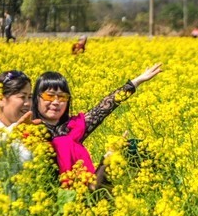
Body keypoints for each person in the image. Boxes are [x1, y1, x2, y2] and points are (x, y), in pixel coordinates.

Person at [32, 64, 163, 188]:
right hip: (53, 201)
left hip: (84, 196)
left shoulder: (73, 128)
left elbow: (104, 107)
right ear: (37, 98)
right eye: (49, 96)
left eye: (62, 97)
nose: (55, 102)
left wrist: (137, 81)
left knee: (133, 146)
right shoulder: (29, 131)